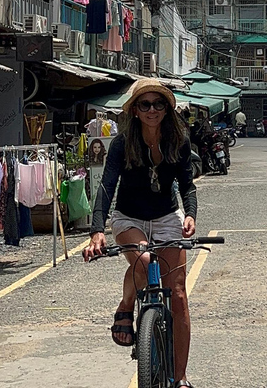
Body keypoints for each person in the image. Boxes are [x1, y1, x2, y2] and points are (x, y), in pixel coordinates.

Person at [83, 79, 197, 388]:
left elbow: (187, 185)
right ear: (134, 110)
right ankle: (126, 304)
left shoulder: (179, 140)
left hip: (167, 216)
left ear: (166, 109)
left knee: (179, 295)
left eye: (158, 104)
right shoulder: (122, 143)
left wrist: (190, 216)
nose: (152, 110)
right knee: (145, 262)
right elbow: (106, 187)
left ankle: (181, 377)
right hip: (129, 217)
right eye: (144, 104)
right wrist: (97, 231)